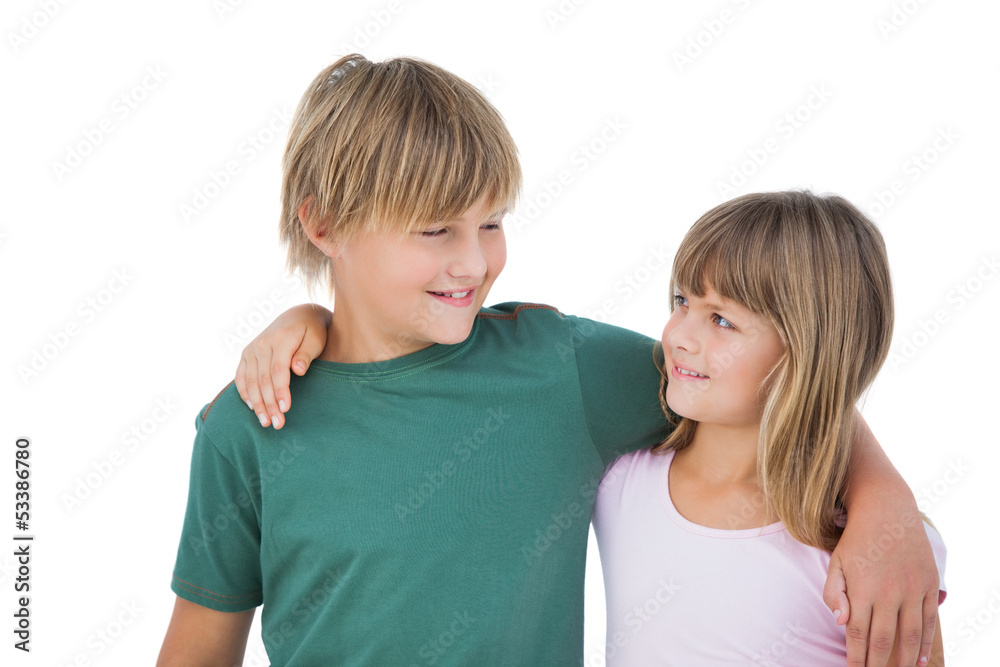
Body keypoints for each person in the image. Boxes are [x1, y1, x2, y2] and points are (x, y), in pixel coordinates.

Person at [162, 53, 938, 666]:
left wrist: (886, 506)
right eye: (436, 231)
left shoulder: (559, 368)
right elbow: (199, 649)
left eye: (491, 222)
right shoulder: (251, 421)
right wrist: (306, 319)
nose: (473, 262)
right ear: (323, 223)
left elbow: (772, 385)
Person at [590, 191, 946, 665]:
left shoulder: (872, 553)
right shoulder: (617, 475)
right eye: (681, 300)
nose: (677, 336)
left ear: (803, 351)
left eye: (722, 320)